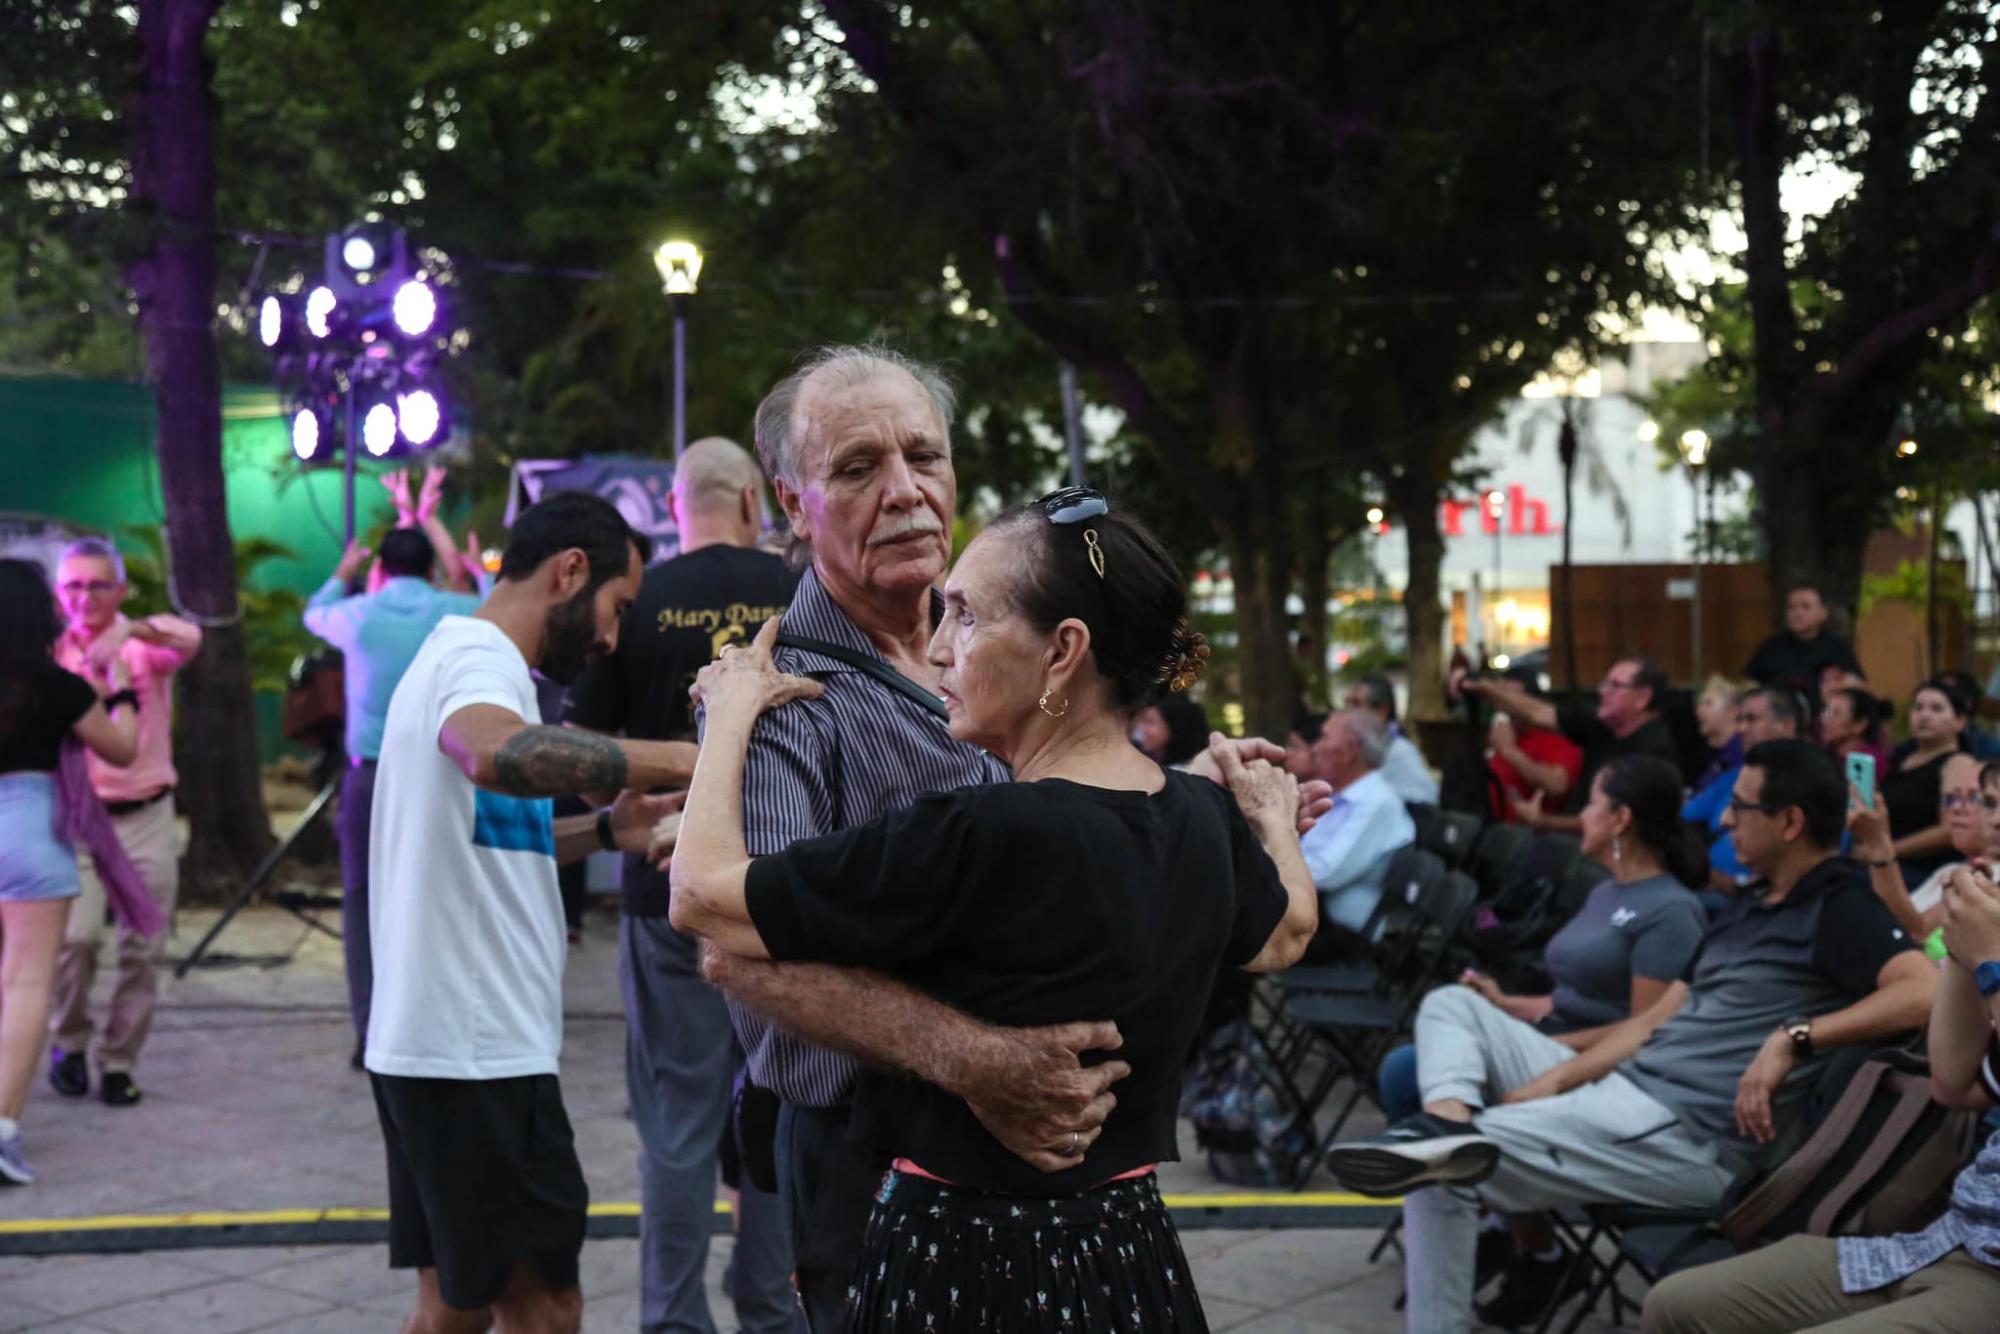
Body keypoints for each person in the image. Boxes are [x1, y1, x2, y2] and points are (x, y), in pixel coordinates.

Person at [687, 346, 1327, 1332]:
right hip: (878, 1163)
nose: (903, 490)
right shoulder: (782, 696)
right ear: (791, 499)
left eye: (923, 456)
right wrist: (971, 1057)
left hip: (1070, 1196)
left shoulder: (1020, 668)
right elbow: (729, 942)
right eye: (857, 467)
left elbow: (1059, 830)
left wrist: (1158, 810)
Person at [1328, 739, 1936, 1334]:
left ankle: (1446, 1149)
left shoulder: (1838, 906)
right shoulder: (1753, 907)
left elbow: (1924, 991)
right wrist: (1550, 1081)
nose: (1724, 818)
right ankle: (1449, 1119)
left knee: (1435, 1169)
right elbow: (1650, 1024)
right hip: (1626, 1095)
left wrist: (1795, 1037)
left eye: (1741, 807)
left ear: (1790, 822)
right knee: (1451, 1005)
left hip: (1689, 1138)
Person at [364, 490, 696, 1334]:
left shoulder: (474, 663)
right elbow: (493, 754)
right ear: (569, 572)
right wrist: (687, 755)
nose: (612, 638)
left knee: (455, 1305)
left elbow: (495, 842)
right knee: (546, 1306)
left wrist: (609, 830)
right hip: (475, 1054)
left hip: (447, 1048)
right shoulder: (479, 660)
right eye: (617, 608)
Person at [561, 437, 801, 1334]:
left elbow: (587, 768)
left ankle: (672, 1320)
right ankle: (773, 1306)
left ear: (675, 507)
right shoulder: (800, 589)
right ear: (750, 502)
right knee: (779, 1106)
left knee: (676, 1124)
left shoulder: (640, 596)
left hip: (668, 892)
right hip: (781, 892)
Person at [1375, 754, 1710, 1320]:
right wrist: (1506, 1005)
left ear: (1621, 819)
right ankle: (1493, 1205)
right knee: (1439, 1022)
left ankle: (1508, 1226)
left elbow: (1644, 1030)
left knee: (1410, 1072)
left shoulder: (1671, 911)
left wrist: (1544, 1047)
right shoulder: (1606, 891)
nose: (1581, 815)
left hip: (1597, 1068)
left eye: (1592, 803)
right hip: (1550, 1038)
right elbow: (1566, 996)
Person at [1642, 861, 2000, 1333]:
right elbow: (1953, 1082)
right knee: (1676, 1305)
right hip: (1949, 1240)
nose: (1727, 820)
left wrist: (1992, 962)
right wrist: (1962, 948)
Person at [304, 471, 484, 1061]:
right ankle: (428, 1021)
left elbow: (315, 611)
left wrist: (345, 567)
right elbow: (489, 595)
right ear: (430, 568)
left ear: (380, 567)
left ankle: (368, 1030)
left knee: (360, 898)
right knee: (435, 893)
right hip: (437, 774)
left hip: (368, 775)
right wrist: (464, 551)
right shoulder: (453, 612)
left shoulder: (358, 615)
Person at [0, 559, 148, 1184]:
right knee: (27, 983)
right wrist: (124, 695)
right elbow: (122, 750)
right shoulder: (59, 685)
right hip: (32, 831)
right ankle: (2, 1129)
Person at [45, 536, 200, 1108]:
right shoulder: (51, 652)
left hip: (146, 813)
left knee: (144, 944)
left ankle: (119, 1060)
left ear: (120, 590)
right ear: (60, 594)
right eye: (74, 586)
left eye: (98, 585)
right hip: (77, 817)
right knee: (76, 940)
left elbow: (191, 637)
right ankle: (69, 1043)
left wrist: (130, 633)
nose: (85, 597)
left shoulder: (143, 646)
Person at [1463, 654, 1679, 836]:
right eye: (1605, 684)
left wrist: (1543, 821)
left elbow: (1613, 822)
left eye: (1614, 686)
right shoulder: (1604, 726)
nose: (1602, 691)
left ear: (1642, 698)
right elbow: (1536, 713)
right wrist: (1486, 689)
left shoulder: (1653, 750)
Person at [1299, 709, 1417, 933]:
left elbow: (1325, 874)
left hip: (1338, 928)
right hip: (1311, 911)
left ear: (1351, 750)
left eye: (1325, 737)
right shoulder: (1339, 794)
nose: (1315, 748)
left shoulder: (1376, 803)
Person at [1683, 687, 1808, 895]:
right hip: (1709, 889)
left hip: (1761, 902)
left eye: (1751, 719)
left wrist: (1740, 885)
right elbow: (1682, 815)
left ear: (1787, 725)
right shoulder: (1737, 775)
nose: (1741, 729)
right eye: (1740, 720)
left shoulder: (1813, 781)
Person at [1853, 754, 1990, 941]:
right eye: (1952, 798)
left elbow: (1915, 934)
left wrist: (1879, 845)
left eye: (1974, 798)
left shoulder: (1991, 877)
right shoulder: (1949, 870)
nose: (1957, 808)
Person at [1884, 678, 1974, 887]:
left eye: (1936, 709)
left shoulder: (1958, 763)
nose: (1924, 715)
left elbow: (1949, 830)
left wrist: (1887, 851)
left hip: (1926, 873)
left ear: (1959, 721)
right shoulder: (1900, 759)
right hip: (1886, 862)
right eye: (1918, 707)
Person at [1483, 667, 1582, 825]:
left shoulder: (1554, 735)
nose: (1505, 706)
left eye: (1511, 699)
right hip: (1498, 830)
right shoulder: (1506, 732)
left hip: (1535, 837)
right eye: (1501, 700)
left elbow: (1557, 785)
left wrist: (1511, 752)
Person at [1744, 584, 1860, 707]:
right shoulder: (1771, 647)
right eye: (1791, 608)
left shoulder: (1837, 649)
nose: (1797, 613)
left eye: (1806, 607)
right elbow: (1750, 683)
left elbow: (1854, 689)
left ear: (1823, 613)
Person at [1345, 672, 1441, 805]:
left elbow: (1425, 802)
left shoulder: (1400, 750)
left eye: (1356, 703)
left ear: (1381, 711)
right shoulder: (1355, 746)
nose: (1346, 712)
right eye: (1347, 703)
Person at [1691, 675, 1748, 789]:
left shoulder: (1742, 755)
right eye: (1699, 704)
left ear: (1734, 711)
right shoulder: (1712, 754)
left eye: (1708, 704)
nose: (1698, 711)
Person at [1821, 684, 1892, 771]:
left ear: (1859, 725)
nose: (1825, 720)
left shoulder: (1867, 762)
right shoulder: (1825, 754)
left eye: (1836, 714)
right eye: (1826, 712)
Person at [1130, 692, 1210, 767]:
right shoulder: (1145, 761)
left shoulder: (1185, 771)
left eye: (1151, 722)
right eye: (1142, 720)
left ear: (1174, 727)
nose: (1141, 728)